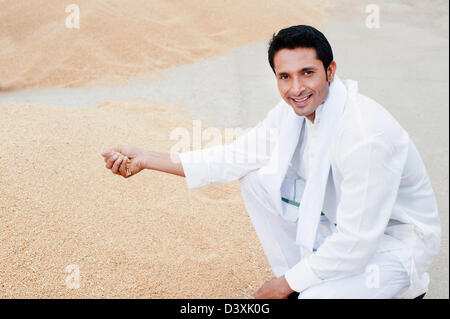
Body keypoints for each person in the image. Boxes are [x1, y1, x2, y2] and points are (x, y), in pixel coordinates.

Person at [101, 25, 441, 299]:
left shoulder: (366, 136)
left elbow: (357, 243)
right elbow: (234, 157)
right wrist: (147, 158)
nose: (296, 88)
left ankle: (319, 286)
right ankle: (303, 279)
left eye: (307, 72)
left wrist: (281, 286)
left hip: (395, 246)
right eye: (285, 76)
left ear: (330, 71)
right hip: (348, 228)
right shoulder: (292, 112)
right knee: (254, 177)